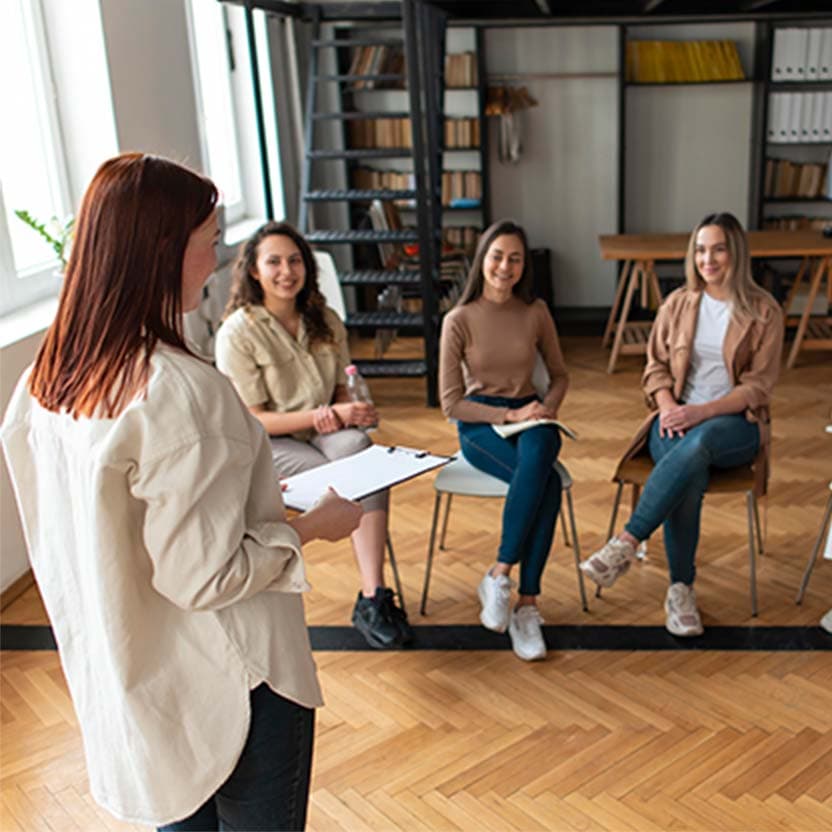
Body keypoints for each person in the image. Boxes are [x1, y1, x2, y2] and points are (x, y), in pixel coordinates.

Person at [0, 153, 364, 831]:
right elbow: (209, 575)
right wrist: (312, 526)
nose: (222, 259)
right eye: (212, 241)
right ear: (164, 253)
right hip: (234, 673)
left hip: (133, 669)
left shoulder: (46, 382)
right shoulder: (179, 391)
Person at [580, 212, 784, 637]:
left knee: (702, 441)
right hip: (674, 418)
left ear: (737, 254)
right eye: (701, 249)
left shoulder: (765, 311)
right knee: (687, 474)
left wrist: (700, 413)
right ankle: (680, 591)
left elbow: (758, 387)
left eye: (719, 249)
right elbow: (654, 367)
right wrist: (671, 404)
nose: (708, 259)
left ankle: (627, 543)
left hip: (732, 426)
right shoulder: (678, 303)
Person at [214, 221, 413, 650]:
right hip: (270, 441)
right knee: (351, 473)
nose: (286, 271)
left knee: (362, 454)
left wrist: (351, 406)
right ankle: (374, 596)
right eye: (274, 262)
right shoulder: (238, 332)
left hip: (323, 431)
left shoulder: (325, 319)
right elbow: (254, 420)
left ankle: (371, 595)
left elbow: (340, 386)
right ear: (254, 271)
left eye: (294, 260)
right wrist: (323, 413)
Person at [438, 219, 569, 661]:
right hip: (481, 424)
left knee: (539, 454)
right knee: (546, 484)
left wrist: (547, 406)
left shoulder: (535, 312)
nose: (505, 266)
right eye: (497, 256)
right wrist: (510, 413)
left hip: (533, 414)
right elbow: (452, 403)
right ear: (482, 260)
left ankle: (501, 575)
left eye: (515, 258)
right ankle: (525, 601)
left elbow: (560, 374)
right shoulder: (458, 319)